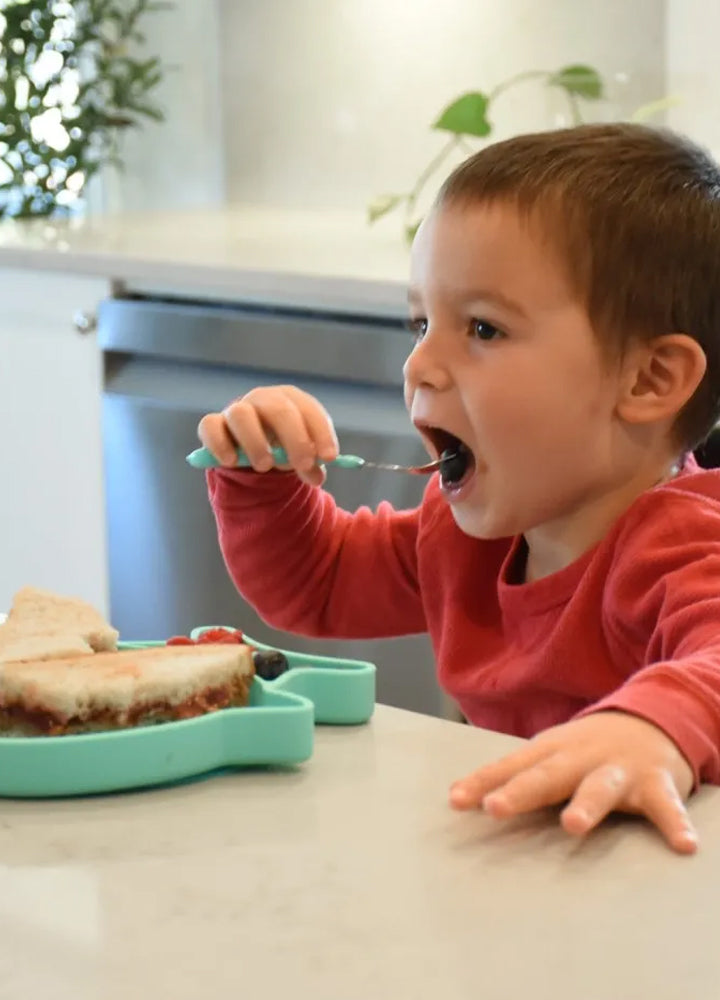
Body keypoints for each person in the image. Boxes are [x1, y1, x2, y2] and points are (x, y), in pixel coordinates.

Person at [196, 122, 720, 855]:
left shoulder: (684, 545)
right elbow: (320, 580)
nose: (419, 365)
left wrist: (649, 727)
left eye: (482, 328)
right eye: (421, 323)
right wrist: (264, 481)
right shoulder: (466, 535)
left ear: (648, 380)